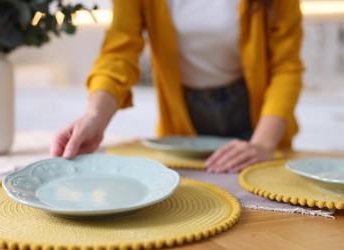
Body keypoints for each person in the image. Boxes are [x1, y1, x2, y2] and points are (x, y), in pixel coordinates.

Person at [50, 0, 304, 173]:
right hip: (183, 118)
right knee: (192, 206)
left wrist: (262, 144)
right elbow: (119, 53)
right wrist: (95, 117)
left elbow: (286, 66)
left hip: (260, 119)